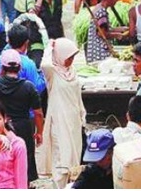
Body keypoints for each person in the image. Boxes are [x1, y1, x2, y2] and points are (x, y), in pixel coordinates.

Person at [0, 49, 44, 183]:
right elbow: (38, 113)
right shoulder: (28, 87)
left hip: (4, 127)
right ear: (20, 67)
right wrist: (39, 133)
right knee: (25, 161)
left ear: (2, 67)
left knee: (5, 160)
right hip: (24, 126)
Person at [39, 38, 86, 189]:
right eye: (68, 57)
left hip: (74, 121)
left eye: (73, 57)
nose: (71, 61)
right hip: (59, 121)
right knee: (61, 160)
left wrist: (82, 113)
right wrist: (49, 48)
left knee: (73, 160)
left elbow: (77, 95)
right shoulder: (53, 73)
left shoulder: (72, 72)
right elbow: (44, 64)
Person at [0, 25, 46, 98]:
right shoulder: (28, 64)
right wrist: (44, 73)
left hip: (3, 105)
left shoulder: (0, 59)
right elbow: (38, 87)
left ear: (9, 42)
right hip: (24, 106)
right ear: (26, 43)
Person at [86, 0, 128, 65]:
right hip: (99, 51)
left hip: (94, 51)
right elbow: (102, 33)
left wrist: (121, 29)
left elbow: (105, 28)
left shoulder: (98, 8)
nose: (117, 0)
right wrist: (117, 35)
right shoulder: (102, 12)